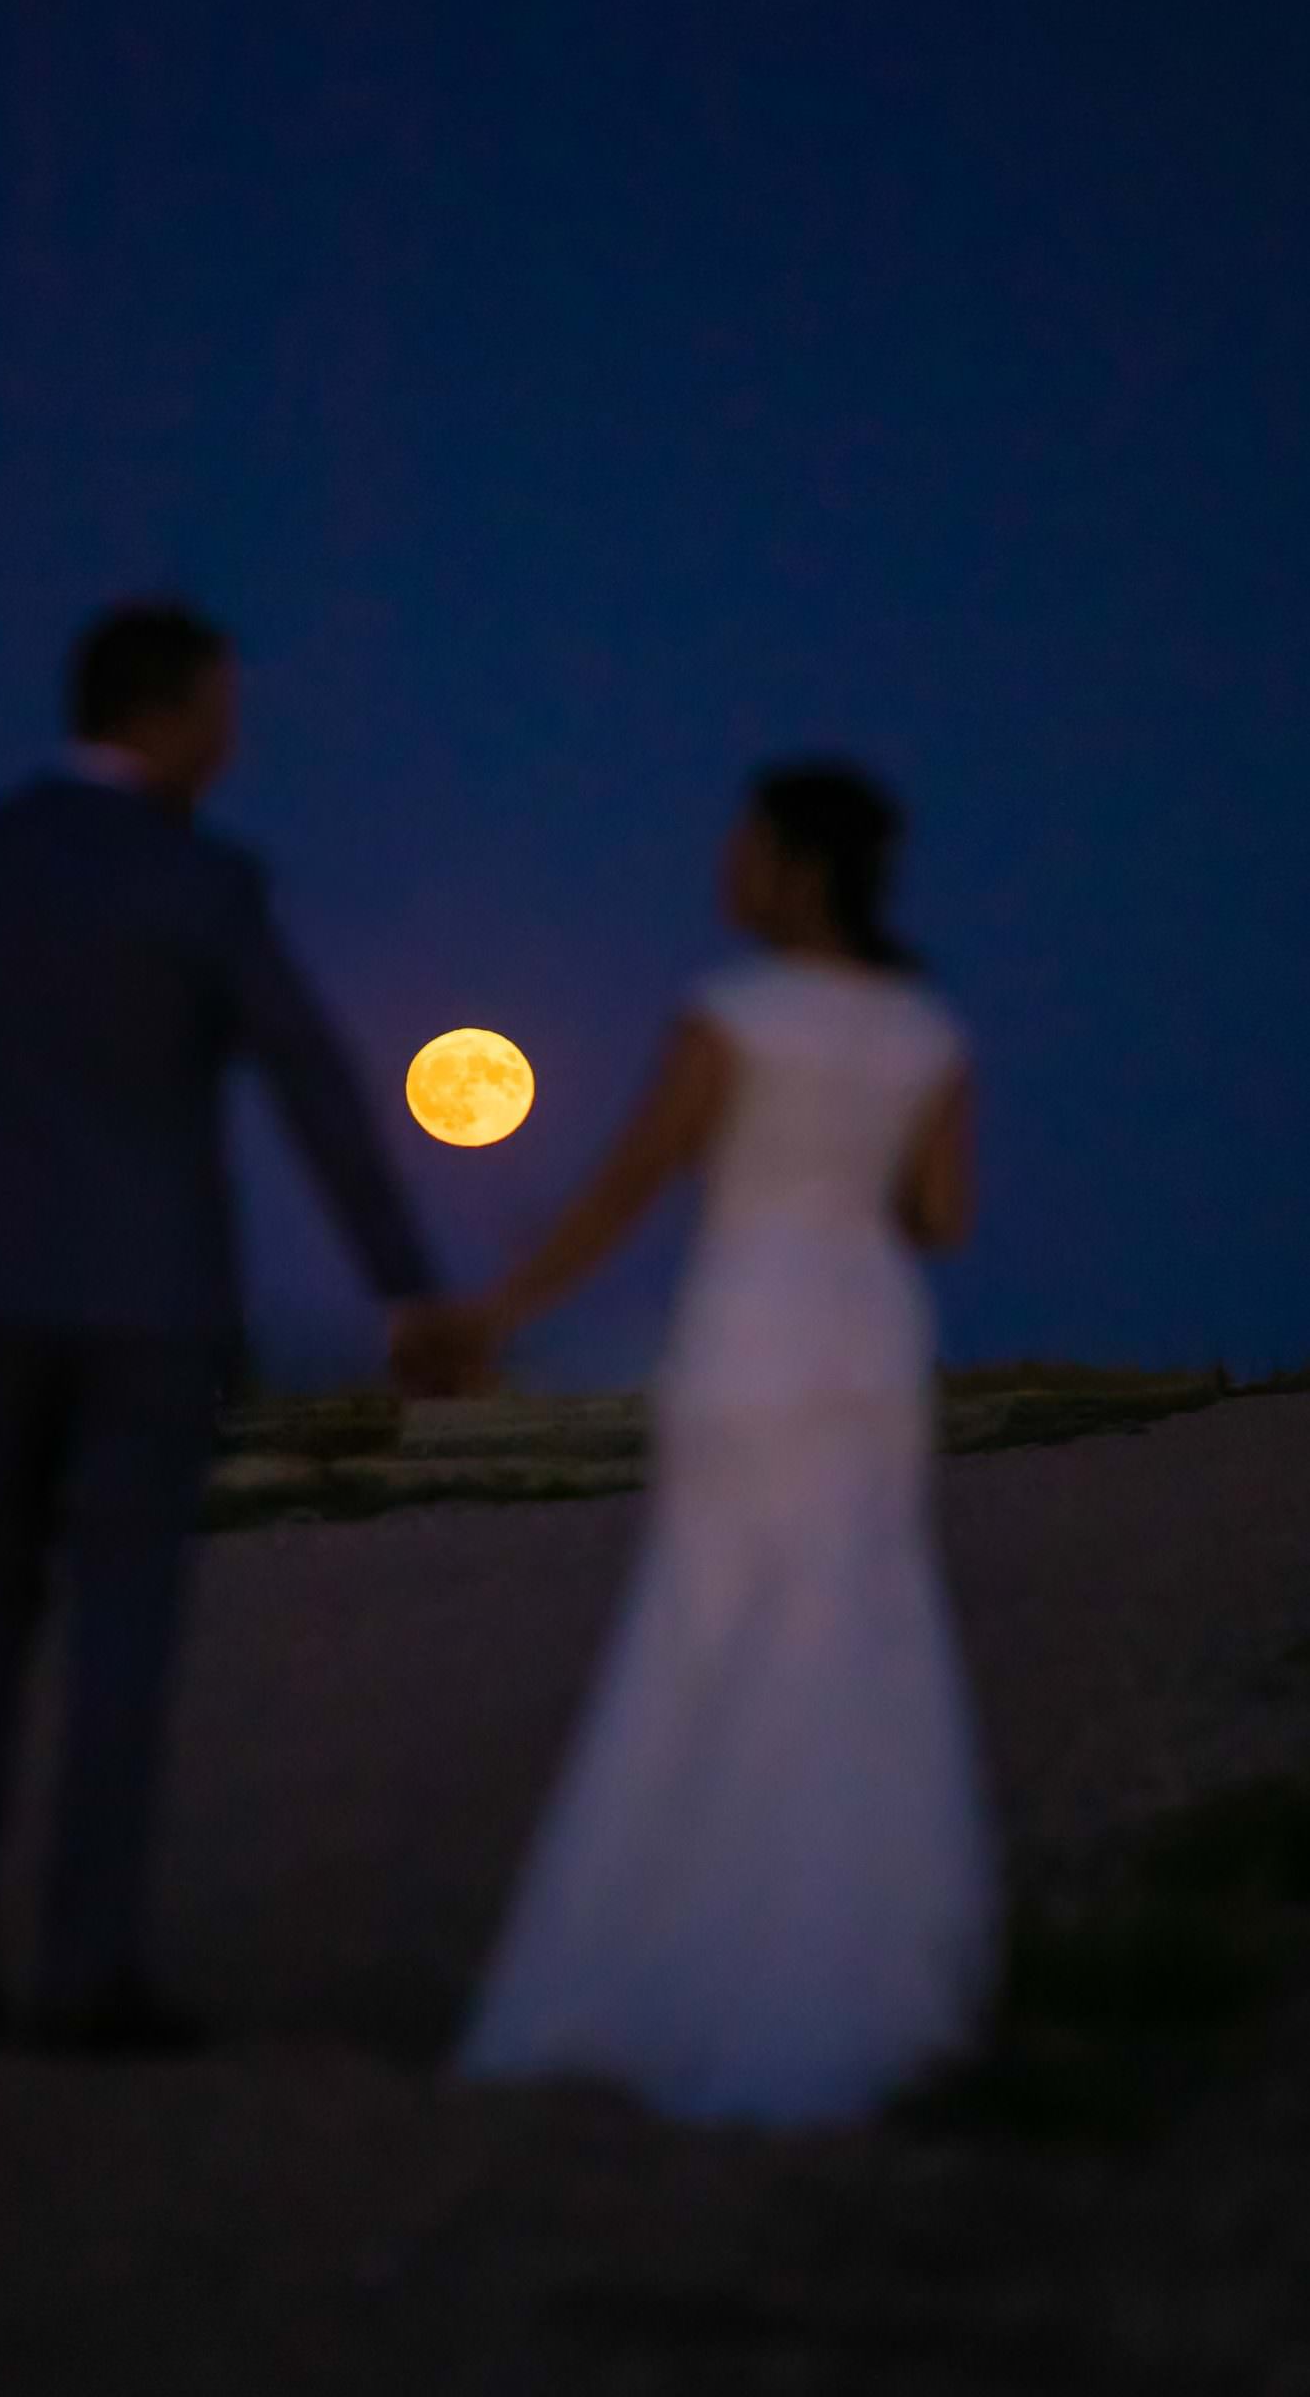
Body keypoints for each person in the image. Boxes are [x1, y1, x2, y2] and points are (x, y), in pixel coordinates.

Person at [0, 600, 447, 2052]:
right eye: (224, 711)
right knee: (122, 1630)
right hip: (151, 1307)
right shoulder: (204, 881)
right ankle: (86, 1969)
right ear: (172, 715)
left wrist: (12, 1139)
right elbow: (310, 1081)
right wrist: (406, 1281)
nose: (235, 740)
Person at [399, 760, 1001, 2126]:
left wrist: (495, 1308)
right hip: (869, 1338)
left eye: (741, 844)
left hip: (753, 1332)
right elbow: (944, 1216)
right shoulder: (928, 1032)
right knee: (857, 1618)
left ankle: (679, 1957)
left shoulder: (730, 1016)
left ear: (792, 863)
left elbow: (627, 1185)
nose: (723, 866)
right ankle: (845, 1970)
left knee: (717, 1618)